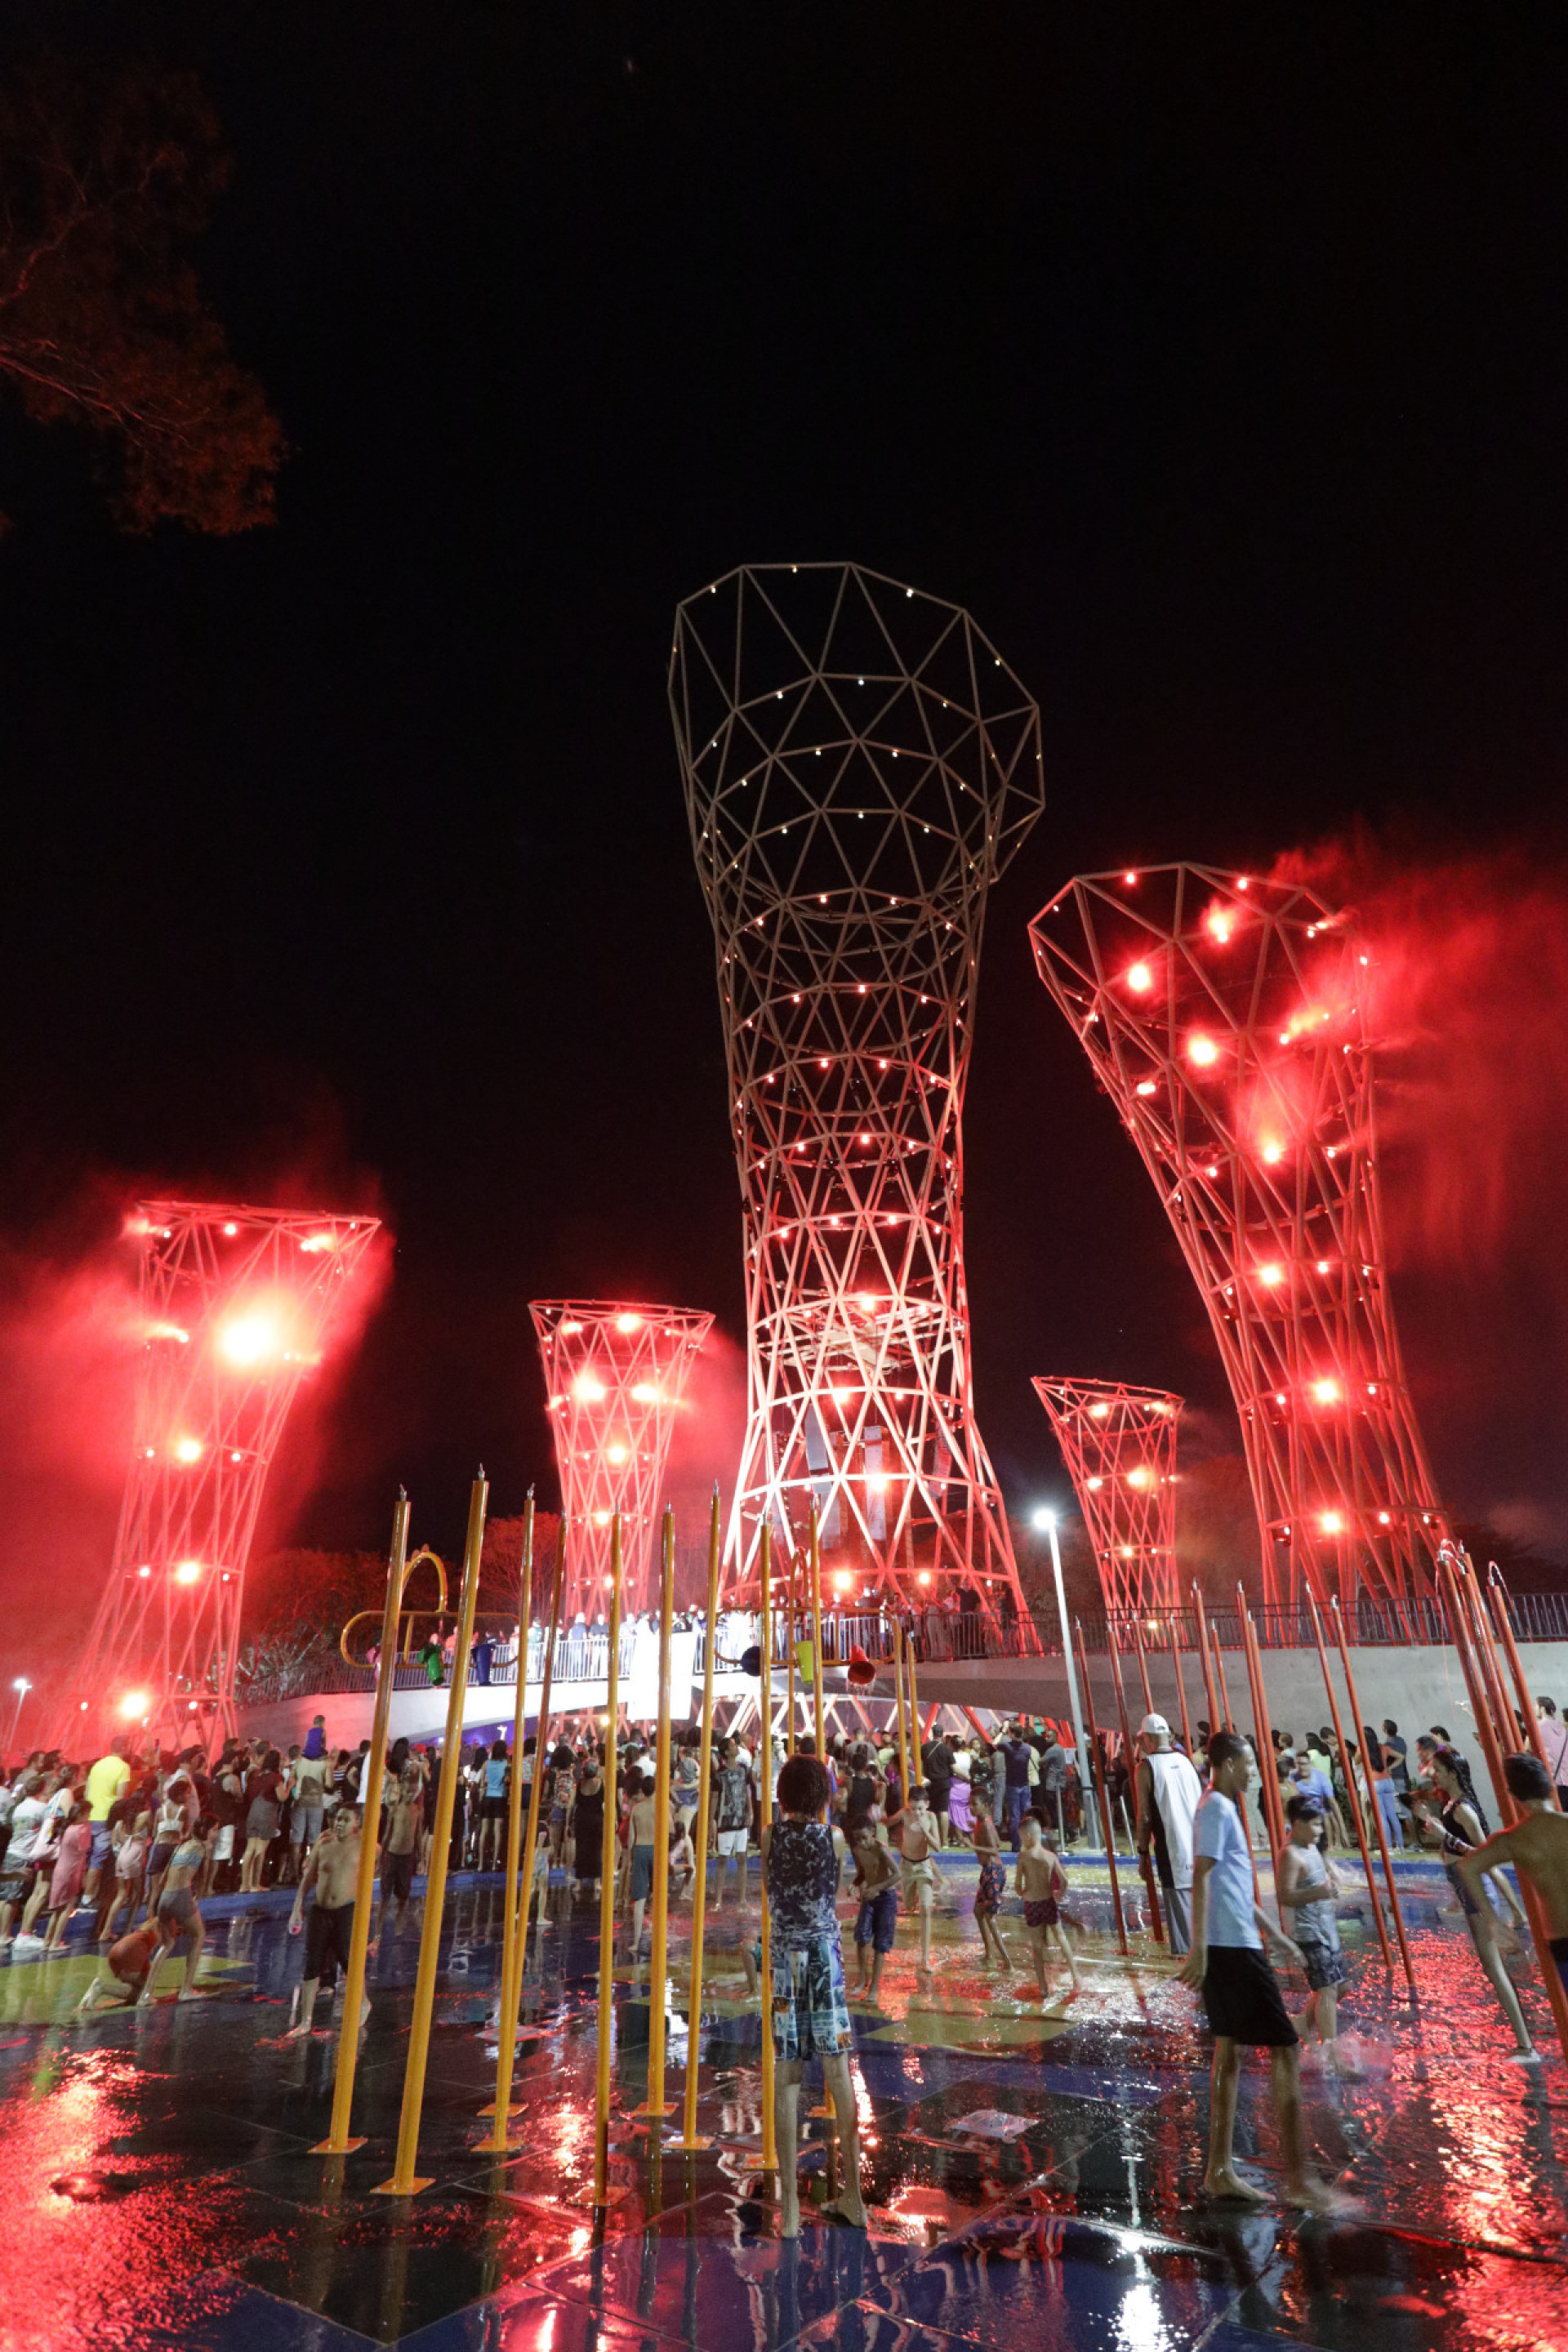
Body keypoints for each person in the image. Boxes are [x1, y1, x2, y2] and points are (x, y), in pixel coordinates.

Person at [1179, 1731, 1347, 2213]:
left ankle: (1219, 2171)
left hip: (1234, 1942)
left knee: (1229, 2053)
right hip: (1231, 1948)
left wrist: (1275, 1934)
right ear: (1229, 1764)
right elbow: (1201, 1877)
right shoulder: (1216, 1808)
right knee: (1286, 2049)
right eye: (1250, 1763)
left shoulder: (1219, 1807)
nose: (1255, 1771)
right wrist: (1199, 1950)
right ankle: (1298, 2180)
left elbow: (1231, 1888)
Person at [762, 1753, 867, 2238]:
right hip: (825, 1957)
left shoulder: (770, 1837)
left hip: (786, 1960)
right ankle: (853, 2196)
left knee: (787, 2076)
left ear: (784, 1792)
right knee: (838, 2075)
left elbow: (772, 1890)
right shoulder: (835, 1838)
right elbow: (832, 1891)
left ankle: (789, 2210)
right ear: (822, 1794)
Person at [1414, 1744, 1536, 2062]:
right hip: (1467, 1888)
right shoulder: (1451, 1804)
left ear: (1452, 1774)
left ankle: (1527, 2047)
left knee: (1494, 1968)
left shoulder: (1463, 1810)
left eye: (1439, 1770)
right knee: (1491, 1966)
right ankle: (1524, 2041)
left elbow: (1484, 1856)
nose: (1434, 1774)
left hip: (1476, 1888)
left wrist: (1444, 1836)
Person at [1455, 1751, 1568, 2002]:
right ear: (1550, 1787)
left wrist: (1494, 1922)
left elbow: (1469, 1867)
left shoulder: (1514, 1839)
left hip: (1562, 1942)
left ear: (1513, 1795)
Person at [1276, 1796, 1358, 2077]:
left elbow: (1316, 1878)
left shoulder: (1310, 1846)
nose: (1320, 1830)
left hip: (1325, 1929)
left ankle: (1302, 2023)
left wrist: (1330, 1882)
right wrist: (1318, 1893)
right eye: (1315, 1825)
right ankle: (1331, 2057)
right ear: (1298, 1824)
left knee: (1341, 1987)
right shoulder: (1291, 1854)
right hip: (1308, 1933)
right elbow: (1285, 1896)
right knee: (1327, 1990)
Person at [288, 1805, 369, 2037]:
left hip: (345, 1910)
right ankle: (306, 2020)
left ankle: (364, 2001)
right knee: (312, 1964)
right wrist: (297, 1908)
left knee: (349, 1960)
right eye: (338, 1819)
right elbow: (308, 1878)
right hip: (320, 1910)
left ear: (357, 1823)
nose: (339, 1823)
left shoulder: (363, 1845)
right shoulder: (323, 1844)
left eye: (346, 1820)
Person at [1135, 1713, 1203, 1955]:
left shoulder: (1146, 1768)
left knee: (1184, 1934)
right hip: (1200, 1850)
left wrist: (1143, 1853)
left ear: (1148, 1738)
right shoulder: (1187, 1762)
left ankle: (1190, 1968)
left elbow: (1144, 1816)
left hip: (1172, 1851)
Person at [1016, 1817, 1078, 2005]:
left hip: (1032, 1904)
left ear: (1028, 1836)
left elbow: (1017, 1885)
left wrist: (1023, 1893)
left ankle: (1043, 1986)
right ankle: (1076, 1978)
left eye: (1021, 1838)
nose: (1021, 1842)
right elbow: (1064, 1881)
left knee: (1037, 1946)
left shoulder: (1023, 1857)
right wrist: (1060, 1894)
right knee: (1061, 1938)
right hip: (1048, 1902)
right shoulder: (1050, 1856)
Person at [149, 1817, 212, 2002]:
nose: (216, 1834)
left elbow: (162, 1879)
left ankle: (146, 1994)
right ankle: (186, 1990)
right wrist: (196, 1898)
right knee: (198, 1935)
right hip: (180, 1895)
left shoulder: (180, 1846)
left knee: (166, 1944)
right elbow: (203, 1879)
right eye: (215, 1829)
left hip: (165, 1897)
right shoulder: (201, 1847)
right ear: (206, 1831)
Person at [886, 1782, 940, 1976]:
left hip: (924, 1866)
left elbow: (938, 1846)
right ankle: (915, 1896)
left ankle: (925, 1959)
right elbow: (887, 1822)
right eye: (914, 1808)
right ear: (908, 1804)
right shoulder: (904, 1814)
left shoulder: (931, 1818)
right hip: (907, 1866)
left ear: (927, 1805)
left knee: (926, 1910)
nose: (917, 1813)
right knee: (909, 1907)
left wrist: (925, 1831)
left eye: (920, 1809)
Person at [78, 1916, 176, 2012]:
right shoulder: (152, 1937)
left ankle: (93, 1993)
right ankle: (102, 1988)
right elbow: (144, 1963)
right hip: (126, 1954)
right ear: (162, 1930)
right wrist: (147, 1980)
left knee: (139, 1987)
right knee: (142, 1992)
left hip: (115, 1952)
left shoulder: (143, 1931)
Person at [849, 1820, 900, 2003]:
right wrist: (855, 1884)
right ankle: (862, 1979)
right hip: (870, 1896)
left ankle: (874, 1987)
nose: (862, 1843)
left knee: (880, 1944)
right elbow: (863, 1872)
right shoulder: (857, 1851)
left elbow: (897, 1874)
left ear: (872, 1832)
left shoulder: (881, 1850)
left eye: (864, 1838)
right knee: (861, 1936)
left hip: (886, 1898)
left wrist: (878, 1888)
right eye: (857, 1839)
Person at [374, 1767, 425, 1941]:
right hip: (392, 1855)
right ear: (402, 1789)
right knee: (385, 1896)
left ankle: (398, 1930)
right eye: (407, 1790)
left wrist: (421, 1858)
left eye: (413, 1790)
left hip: (407, 1857)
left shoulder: (418, 1810)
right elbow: (387, 1834)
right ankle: (378, 1931)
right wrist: (381, 1859)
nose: (410, 1794)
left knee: (403, 1896)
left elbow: (418, 1835)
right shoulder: (394, 1809)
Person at [82, 1745, 130, 1908]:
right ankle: (87, 1899)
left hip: (90, 1816)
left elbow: (87, 1793)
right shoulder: (123, 1767)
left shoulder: (97, 1765)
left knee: (87, 1857)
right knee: (97, 1859)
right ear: (125, 1747)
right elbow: (122, 1796)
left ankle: (81, 1894)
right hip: (107, 1818)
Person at [970, 1782, 1011, 1972]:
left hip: (993, 1873)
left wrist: (973, 1846)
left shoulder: (986, 1824)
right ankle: (990, 1955)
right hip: (989, 1872)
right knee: (978, 1912)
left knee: (990, 1918)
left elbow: (995, 1849)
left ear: (985, 1806)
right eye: (970, 1804)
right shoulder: (982, 1822)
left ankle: (1008, 1962)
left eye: (975, 1804)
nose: (971, 1808)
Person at [42, 1799, 92, 1951]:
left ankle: (47, 1942)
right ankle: (56, 1942)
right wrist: (83, 1877)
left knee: (57, 1909)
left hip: (60, 1870)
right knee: (67, 1907)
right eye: (88, 1814)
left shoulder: (67, 1828)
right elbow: (83, 1852)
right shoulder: (82, 1830)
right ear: (81, 1814)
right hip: (71, 1871)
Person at [712, 1736, 753, 1904]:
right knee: (723, 1860)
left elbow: (746, 1792)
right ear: (727, 1752)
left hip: (741, 1819)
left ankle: (743, 1899)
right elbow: (715, 1798)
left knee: (742, 1858)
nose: (736, 1748)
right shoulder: (719, 1774)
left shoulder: (744, 1769)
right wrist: (711, 1820)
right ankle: (718, 1900)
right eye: (733, 1746)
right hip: (725, 1821)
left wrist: (750, 1812)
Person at [477, 1740, 510, 1873]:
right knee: (497, 1831)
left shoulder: (486, 1763)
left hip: (487, 1797)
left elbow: (482, 1782)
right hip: (500, 1797)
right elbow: (507, 1781)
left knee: (484, 1831)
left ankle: (480, 1864)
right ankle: (495, 1864)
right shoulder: (506, 1764)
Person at [921, 1728, 955, 1847]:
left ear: (933, 1733)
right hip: (944, 1782)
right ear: (942, 1734)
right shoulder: (947, 1749)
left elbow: (921, 1765)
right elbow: (953, 1767)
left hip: (930, 1783)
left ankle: (932, 1839)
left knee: (931, 1811)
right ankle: (944, 1841)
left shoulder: (925, 1748)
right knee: (943, 1811)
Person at [1535, 1699, 1568, 1808]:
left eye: (1536, 1706)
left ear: (1542, 1709)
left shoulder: (1537, 1727)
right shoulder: (1563, 1728)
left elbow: (1526, 1751)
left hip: (1551, 1781)